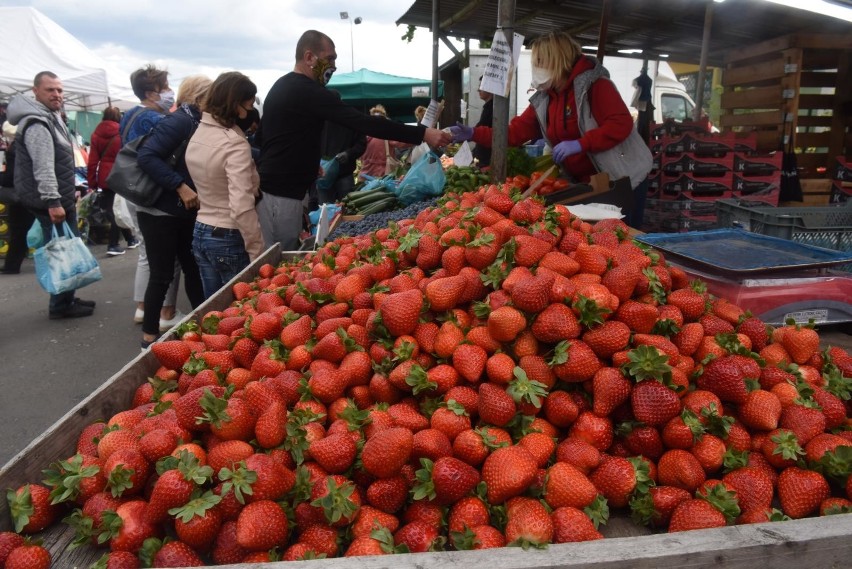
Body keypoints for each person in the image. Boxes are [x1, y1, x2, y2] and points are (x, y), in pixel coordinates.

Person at [256, 30, 451, 250]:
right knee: (279, 259)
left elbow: (267, 138)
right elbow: (364, 123)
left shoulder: (281, 86)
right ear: (309, 57)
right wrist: (422, 133)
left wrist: (307, 166)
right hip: (281, 197)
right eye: (330, 59)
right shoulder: (306, 91)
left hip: (279, 192)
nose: (334, 66)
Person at [450, 30, 652, 229]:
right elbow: (516, 132)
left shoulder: (595, 86)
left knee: (624, 237)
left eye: (540, 62)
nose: (536, 68)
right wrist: (475, 133)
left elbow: (621, 123)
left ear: (557, 60)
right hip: (589, 183)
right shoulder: (546, 97)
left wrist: (581, 144)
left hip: (624, 176)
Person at [6, 71, 96, 318]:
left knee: (67, 247)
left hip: (58, 198)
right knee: (59, 251)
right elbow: (43, 166)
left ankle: (67, 297)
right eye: (50, 90)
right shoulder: (37, 122)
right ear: (35, 91)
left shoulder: (49, 117)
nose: (57, 95)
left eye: (59, 90)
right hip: (49, 200)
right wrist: (53, 201)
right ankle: (60, 305)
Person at [136, 75, 209, 348]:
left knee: (193, 268)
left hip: (181, 212)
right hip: (160, 212)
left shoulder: (194, 120)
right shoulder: (180, 120)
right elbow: (147, 156)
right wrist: (180, 186)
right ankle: (149, 339)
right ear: (201, 96)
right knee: (162, 274)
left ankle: (205, 324)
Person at [185, 72, 264, 299]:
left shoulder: (200, 132)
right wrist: (257, 252)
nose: (248, 112)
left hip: (201, 229)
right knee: (241, 310)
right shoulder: (233, 144)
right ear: (235, 103)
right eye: (247, 106)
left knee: (214, 308)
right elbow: (241, 205)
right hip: (228, 234)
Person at [121, 64, 183, 329]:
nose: (169, 92)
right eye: (165, 87)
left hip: (133, 189)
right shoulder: (154, 119)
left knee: (147, 253)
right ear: (151, 92)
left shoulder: (129, 115)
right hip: (154, 191)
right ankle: (165, 313)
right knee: (166, 258)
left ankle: (142, 307)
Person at [87, 106, 139, 256]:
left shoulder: (96, 134)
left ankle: (130, 239)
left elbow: (92, 162)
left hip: (105, 176)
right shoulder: (121, 132)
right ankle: (113, 244)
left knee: (113, 208)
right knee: (120, 209)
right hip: (121, 173)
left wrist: (92, 182)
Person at [317, 90, 366, 204]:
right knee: (327, 211)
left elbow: (361, 144)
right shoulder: (318, 119)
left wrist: (349, 154)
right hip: (324, 174)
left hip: (343, 174)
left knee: (344, 209)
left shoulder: (350, 118)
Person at [0, 121, 37, 275]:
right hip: (33, 191)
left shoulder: (15, 148)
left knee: (18, 230)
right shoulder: (30, 144)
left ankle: (11, 265)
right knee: (29, 229)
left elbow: (12, 176)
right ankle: (12, 264)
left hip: (21, 193)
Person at [357, 104, 411, 180]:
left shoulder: (364, 136)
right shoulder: (386, 135)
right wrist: (419, 138)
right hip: (382, 177)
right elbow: (403, 142)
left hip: (364, 176)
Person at [472, 82, 494, 167]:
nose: (478, 90)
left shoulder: (493, 108)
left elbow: (482, 127)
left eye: (481, 87)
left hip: (487, 159)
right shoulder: (488, 107)